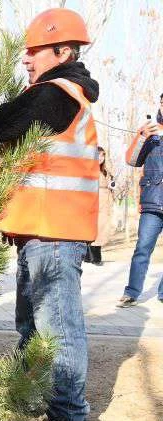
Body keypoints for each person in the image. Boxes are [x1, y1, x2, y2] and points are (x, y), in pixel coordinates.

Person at [0, 8, 98, 421]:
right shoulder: (58, 93)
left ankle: (68, 413)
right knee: (32, 328)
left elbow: (4, 122)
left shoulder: (57, 93)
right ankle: (28, 398)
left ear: (62, 51)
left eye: (33, 51)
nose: (26, 59)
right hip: (40, 233)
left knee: (57, 331)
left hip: (54, 235)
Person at [118, 95, 163, 308]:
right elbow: (132, 160)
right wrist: (142, 137)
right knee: (142, 248)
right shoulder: (150, 132)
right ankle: (132, 292)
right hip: (153, 201)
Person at [84, 146, 115, 265]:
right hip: (94, 201)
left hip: (105, 202)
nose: (101, 158)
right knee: (96, 228)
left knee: (102, 228)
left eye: (103, 155)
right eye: (98, 155)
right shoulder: (90, 170)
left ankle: (90, 256)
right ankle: (94, 257)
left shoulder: (105, 171)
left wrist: (111, 183)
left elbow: (111, 185)